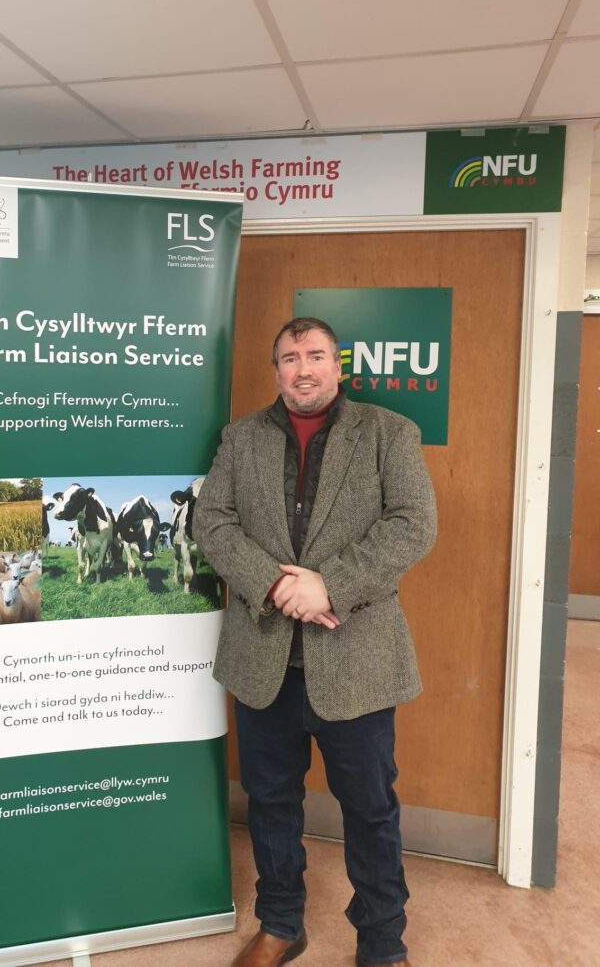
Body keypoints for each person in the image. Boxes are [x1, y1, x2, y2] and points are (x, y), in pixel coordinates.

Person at [194, 317, 437, 967]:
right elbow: (211, 522)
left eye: (316, 355)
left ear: (338, 365)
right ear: (275, 368)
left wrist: (329, 585)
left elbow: (414, 524)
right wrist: (276, 586)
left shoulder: (388, 433)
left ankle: (383, 942)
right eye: (289, 356)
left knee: (369, 806)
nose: (303, 368)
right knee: (270, 799)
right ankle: (280, 922)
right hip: (263, 658)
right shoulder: (240, 438)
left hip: (357, 661)